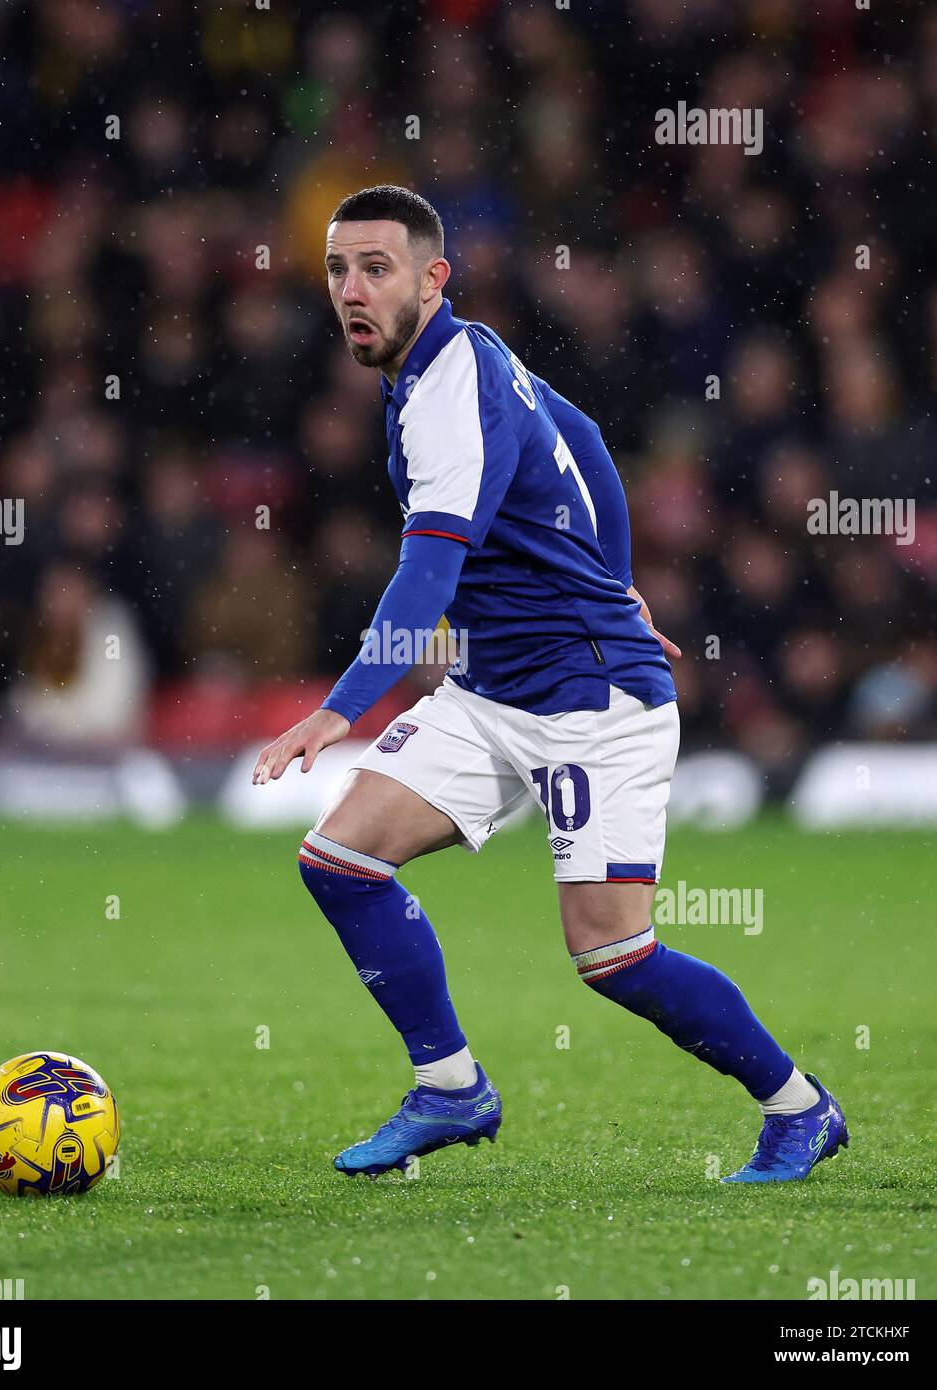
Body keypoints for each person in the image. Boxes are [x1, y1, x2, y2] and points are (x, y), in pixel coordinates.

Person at [253, 185, 848, 1183]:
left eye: (377, 269)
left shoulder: (446, 391)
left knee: (612, 956)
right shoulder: (469, 356)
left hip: (594, 702)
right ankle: (450, 1087)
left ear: (433, 278)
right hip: (495, 693)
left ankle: (800, 1106)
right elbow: (589, 447)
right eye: (337, 271)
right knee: (340, 859)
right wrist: (617, 581)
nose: (351, 290)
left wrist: (340, 708)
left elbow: (427, 577)